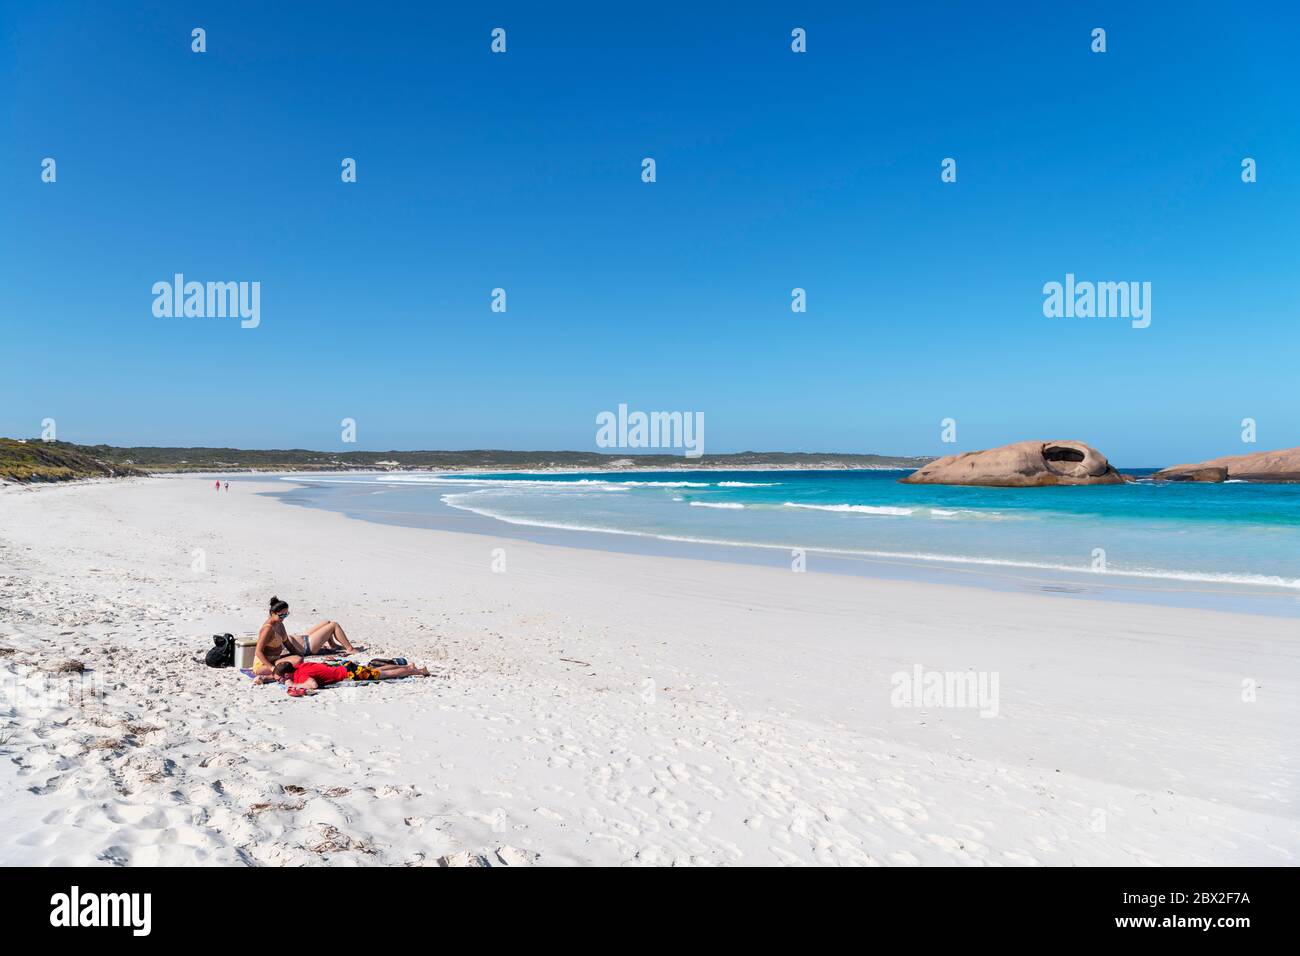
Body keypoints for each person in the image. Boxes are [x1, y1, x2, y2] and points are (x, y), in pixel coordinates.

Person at [252, 596, 361, 676]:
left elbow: (287, 643)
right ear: (273, 613)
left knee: (298, 658)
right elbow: (258, 652)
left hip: (276, 659)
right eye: (281, 615)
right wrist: (272, 668)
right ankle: (272, 676)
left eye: (286, 614)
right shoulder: (267, 629)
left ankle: (334, 646)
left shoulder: (279, 624)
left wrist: (299, 654)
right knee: (298, 660)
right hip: (264, 665)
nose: (284, 617)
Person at [266, 655, 430, 694]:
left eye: (280, 679)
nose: (279, 682)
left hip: (349, 674)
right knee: (378, 671)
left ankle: (415, 671)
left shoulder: (299, 677)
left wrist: (293, 685)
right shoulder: (300, 667)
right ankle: (410, 667)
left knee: (384, 675)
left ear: (287, 675)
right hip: (345, 667)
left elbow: (312, 685)